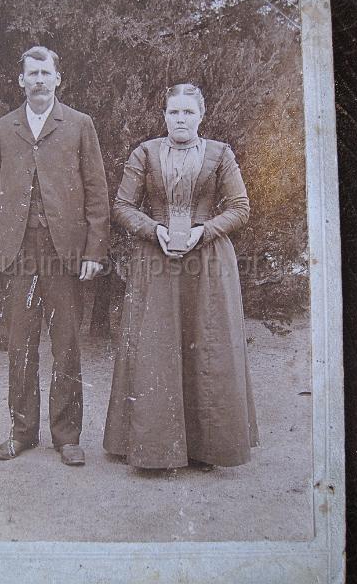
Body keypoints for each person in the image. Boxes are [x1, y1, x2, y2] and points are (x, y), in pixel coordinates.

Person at [103, 83, 259, 469]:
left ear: (201, 115)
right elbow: (122, 205)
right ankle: (154, 448)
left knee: (205, 344)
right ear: (164, 116)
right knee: (157, 347)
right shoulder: (145, 153)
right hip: (155, 262)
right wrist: (153, 229)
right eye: (174, 112)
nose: (181, 119)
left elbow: (240, 208)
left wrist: (200, 231)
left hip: (206, 264)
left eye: (188, 112)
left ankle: (206, 448)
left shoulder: (220, 154)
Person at [0, 46, 110, 465]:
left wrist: (94, 251)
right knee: (20, 345)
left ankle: (67, 437)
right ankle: (21, 433)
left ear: (57, 79)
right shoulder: (2, 129)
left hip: (63, 252)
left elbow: (97, 194)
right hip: (15, 252)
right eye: (30, 73)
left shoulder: (80, 125)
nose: (37, 80)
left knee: (66, 343)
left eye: (44, 73)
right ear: (21, 81)